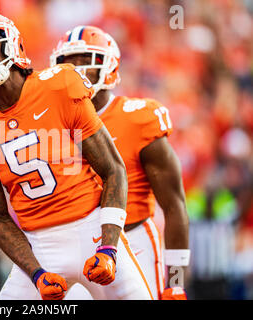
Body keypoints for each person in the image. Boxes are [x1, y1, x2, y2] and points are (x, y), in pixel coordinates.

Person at [0, 11, 152, 300]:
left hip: (91, 229)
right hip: (38, 244)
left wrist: (108, 247)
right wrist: (36, 273)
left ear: (10, 43)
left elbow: (113, 170)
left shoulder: (59, 86)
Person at [50, 25, 190, 300]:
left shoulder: (138, 118)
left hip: (133, 238)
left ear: (109, 66)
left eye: (85, 60)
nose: (76, 70)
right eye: (68, 63)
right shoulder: (52, 123)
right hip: (75, 245)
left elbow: (175, 205)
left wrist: (176, 281)